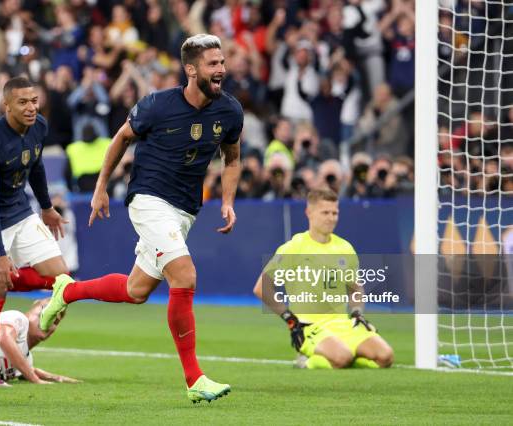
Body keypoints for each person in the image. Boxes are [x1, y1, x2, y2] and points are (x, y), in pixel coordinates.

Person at [39, 34, 243, 403]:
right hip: (148, 200)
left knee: (136, 291)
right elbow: (120, 139)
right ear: (191, 69)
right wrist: (101, 188)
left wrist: (228, 200)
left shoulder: (229, 111)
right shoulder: (156, 105)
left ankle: (66, 290)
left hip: (184, 211)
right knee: (185, 274)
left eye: (222, 62)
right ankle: (194, 379)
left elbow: (232, 158)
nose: (221, 70)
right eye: (213, 64)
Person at [0, 76, 69, 386]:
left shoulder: (40, 127)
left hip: (19, 209)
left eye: (34, 100)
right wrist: (0, 255)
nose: (31, 107)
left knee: (61, 279)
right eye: (22, 102)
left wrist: (47, 207)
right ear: (6, 106)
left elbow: (35, 166)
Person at [253, 188, 394, 369]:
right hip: (310, 326)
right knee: (342, 357)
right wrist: (289, 319)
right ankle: (306, 361)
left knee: (385, 357)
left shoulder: (345, 248)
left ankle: (344, 357)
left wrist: (357, 311)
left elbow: (356, 289)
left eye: (335, 213)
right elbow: (261, 287)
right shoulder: (294, 247)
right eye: (325, 212)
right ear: (309, 213)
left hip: (343, 324)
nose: (331, 218)